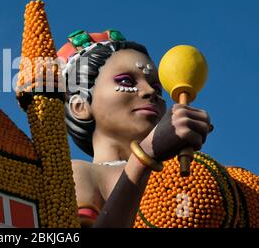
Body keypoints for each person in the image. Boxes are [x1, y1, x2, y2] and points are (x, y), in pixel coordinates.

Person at [57, 29, 213, 228]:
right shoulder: (80, 173)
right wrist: (146, 156)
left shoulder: (183, 175)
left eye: (157, 88)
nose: (150, 92)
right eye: (126, 81)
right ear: (80, 106)